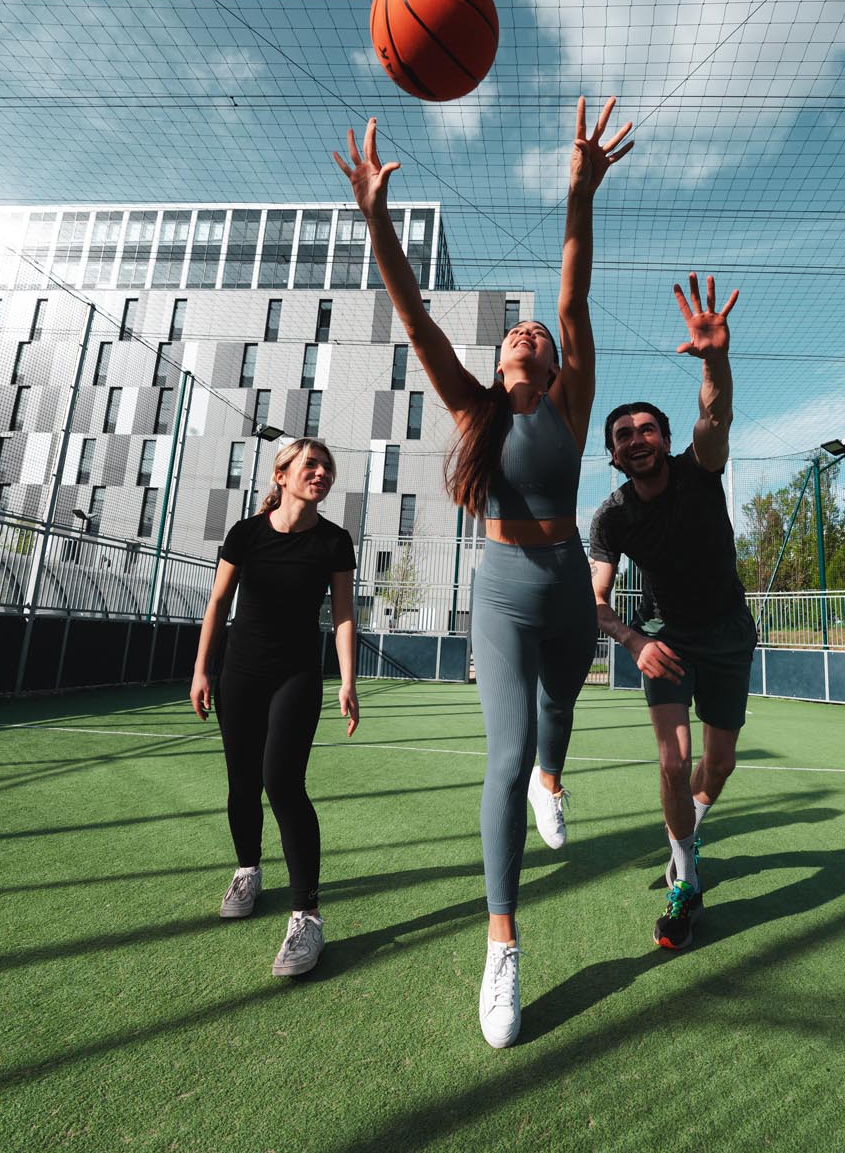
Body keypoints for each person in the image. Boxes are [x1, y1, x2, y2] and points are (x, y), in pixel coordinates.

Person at [334, 98, 631, 1047]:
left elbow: (574, 291)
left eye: (536, 336)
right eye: (516, 333)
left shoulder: (574, 402)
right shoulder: (475, 410)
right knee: (503, 757)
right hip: (502, 589)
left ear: (552, 359)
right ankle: (502, 942)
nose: (527, 336)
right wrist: (377, 218)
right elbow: (415, 315)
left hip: (567, 584)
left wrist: (578, 194)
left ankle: (556, 777)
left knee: (560, 720)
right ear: (500, 354)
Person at [588, 273, 749, 952]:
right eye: (623, 433)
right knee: (673, 763)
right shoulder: (612, 516)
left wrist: (714, 359)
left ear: (664, 437)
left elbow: (714, 416)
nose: (636, 438)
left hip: (728, 631)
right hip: (663, 636)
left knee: (719, 763)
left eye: (647, 427)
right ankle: (685, 879)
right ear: (613, 452)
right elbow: (593, 600)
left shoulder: (699, 468)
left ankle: (691, 827)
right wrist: (630, 638)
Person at [190, 438, 360, 978]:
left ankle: (306, 916)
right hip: (240, 672)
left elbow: (343, 615)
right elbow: (219, 601)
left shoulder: (334, 542)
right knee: (242, 783)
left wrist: (348, 679)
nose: (321, 473)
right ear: (281, 475)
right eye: (311, 465)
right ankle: (248, 871)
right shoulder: (246, 533)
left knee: (282, 784)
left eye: (326, 467)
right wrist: (201, 670)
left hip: (297, 675)